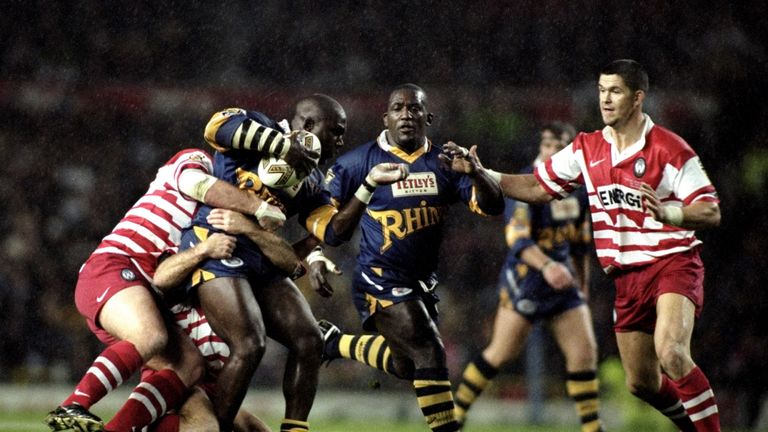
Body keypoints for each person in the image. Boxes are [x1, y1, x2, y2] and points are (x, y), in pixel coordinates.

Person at [444, 59, 722, 431]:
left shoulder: (670, 149)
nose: (605, 99)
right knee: (641, 383)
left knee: (670, 352)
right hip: (624, 278)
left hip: (671, 261)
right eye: (602, 90)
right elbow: (536, 186)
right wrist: (482, 171)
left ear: (637, 98)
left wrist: (669, 213)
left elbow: (710, 210)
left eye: (615, 91)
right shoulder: (587, 149)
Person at [179, 95, 408, 432]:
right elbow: (215, 127)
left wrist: (368, 185)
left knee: (310, 340)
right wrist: (283, 146)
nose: (341, 141)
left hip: (260, 257)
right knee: (249, 344)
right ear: (310, 125)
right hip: (216, 244)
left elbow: (332, 231)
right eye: (336, 132)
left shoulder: (313, 181)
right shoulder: (260, 126)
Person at [44, 140, 300, 432]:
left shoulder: (227, 225)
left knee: (189, 364)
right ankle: (74, 405)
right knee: (151, 336)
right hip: (120, 264)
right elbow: (199, 185)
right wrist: (258, 207)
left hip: (152, 297)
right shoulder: (197, 162)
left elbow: (289, 263)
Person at [318, 83, 504, 432]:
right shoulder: (356, 163)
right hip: (378, 277)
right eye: (398, 108)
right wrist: (316, 256)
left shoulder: (446, 162)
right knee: (430, 349)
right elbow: (321, 218)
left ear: (428, 118)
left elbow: (493, 206)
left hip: (422, 283)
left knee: (408, 364)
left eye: (414, 108)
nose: (406, 114)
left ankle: (334, 342)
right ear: (385, 118)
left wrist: (477, 172)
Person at [453, 122, 604, 432]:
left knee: (584, 354)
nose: (552, 152)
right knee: (500, 353)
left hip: (563, 283)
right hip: (527, 280)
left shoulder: (578, 189)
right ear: (540, 147)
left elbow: (580, 244)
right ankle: (455, 415)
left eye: (559, 147)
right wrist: (547, 266)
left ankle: (592, 428)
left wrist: (582, 285)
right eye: (547, 146)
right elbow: (517, 239)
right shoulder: (526, 183)